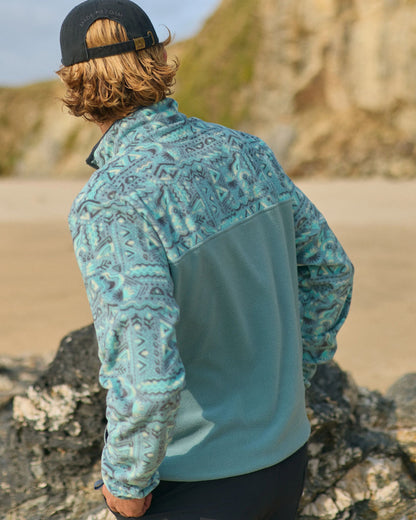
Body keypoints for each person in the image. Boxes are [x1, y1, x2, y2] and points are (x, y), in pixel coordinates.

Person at [57, 1, 354, 518]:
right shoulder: (247, 153)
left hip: (194, 481)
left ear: (74, 81)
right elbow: (330, 271)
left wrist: (126, 481)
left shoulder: (111, 201)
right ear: (157, 59)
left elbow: (146, 370)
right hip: (285, 457)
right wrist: (290, 382)